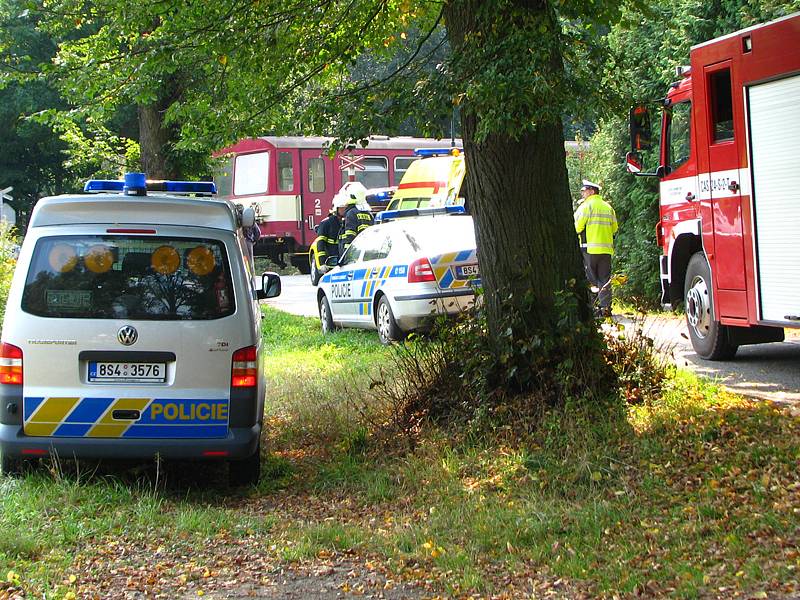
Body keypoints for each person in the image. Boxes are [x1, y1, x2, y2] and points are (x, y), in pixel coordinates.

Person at [574, 179, 618, 317]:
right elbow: (615, 228)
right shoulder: (608, 207)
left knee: (592, 281)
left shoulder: (586, 207)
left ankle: (595, 310)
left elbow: (577, 227)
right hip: (606, 250)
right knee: (605, 280)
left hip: (589, 250)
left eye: (584, 190)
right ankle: (606, 308)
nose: (582, 193)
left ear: (592, 191)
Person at [338, 183, 374, 256]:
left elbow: (350, 236)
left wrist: (346, 255)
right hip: (367, 252)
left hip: (354, 254)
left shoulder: (351, 213)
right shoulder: (369, 214)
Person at [315, 197, 344, 270]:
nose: (344, 210)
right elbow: (320, 244)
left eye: (345, 208)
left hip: (343, 261)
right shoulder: (326, 223)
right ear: (336, 209)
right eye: (342, 208)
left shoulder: (347, 222)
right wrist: (322, 263)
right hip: (330, 263)